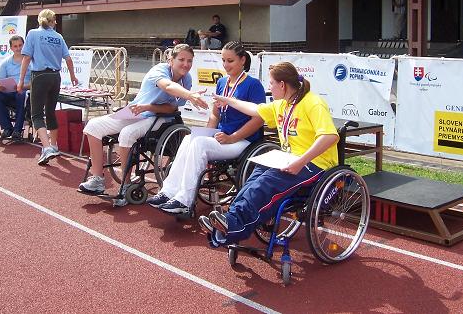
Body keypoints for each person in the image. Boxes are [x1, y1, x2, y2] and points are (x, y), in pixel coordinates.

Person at [199, 61, 339, 247]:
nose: (269, 87)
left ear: (282, 85)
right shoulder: (282, 104)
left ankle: (234, 225)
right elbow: (253, 109)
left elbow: (329, 136)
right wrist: (227, 100)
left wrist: (300, 162)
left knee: (266, 182)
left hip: (315, 163)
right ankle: (229, 218)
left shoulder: (313, 103)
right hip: (289, 157)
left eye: (271, 83)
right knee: (254, 179)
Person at [78, 44, 208, 207]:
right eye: (181, 60)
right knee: (93, 126)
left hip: (160, 117)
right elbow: (167, 86)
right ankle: (97, 179)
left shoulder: (186, 79)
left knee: (127, 134)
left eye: (189, 61)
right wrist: (190, 95)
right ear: (171, 60)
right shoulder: (159, 70)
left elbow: (172, 108)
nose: (186, 64)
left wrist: (148, 107)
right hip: (136, 111)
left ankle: (126, 185)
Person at [148, 41, 266, 215]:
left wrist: (232, 137)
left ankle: (185, 200)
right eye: (223, 60)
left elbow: (259, 119)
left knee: (199, 144)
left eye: (230, 61)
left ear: (242, 60)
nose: (225, 65)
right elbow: (215, 115)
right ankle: (168, 192)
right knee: (190, 138)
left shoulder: (253, 85)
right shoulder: (222, 82)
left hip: (243, 140)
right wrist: (207, 133)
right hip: (222, 137)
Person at [17, 9, 78, 166]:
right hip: (55, 76)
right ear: (53, 21)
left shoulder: (33, 34)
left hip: (39, 76)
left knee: (36, 114)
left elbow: (26, 58)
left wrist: (21, 80)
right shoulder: (58, 37)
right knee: (50, 112)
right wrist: (73, 76)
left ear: (39, 20)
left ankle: (46, 148)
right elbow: (68, 58)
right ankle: (54, 145)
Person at [0, 35, 31, 140]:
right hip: (9, 92)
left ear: (24, 45)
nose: (18, 48)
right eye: (15, 46)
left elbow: (35, 82)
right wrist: (0, 86)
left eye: (20, 45)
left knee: (21, 94)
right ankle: (7, 128)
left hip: (24, 92)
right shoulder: (5, 62)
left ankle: (17, 130)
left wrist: (22, 86)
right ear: (11, 48)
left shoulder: (30, 61)